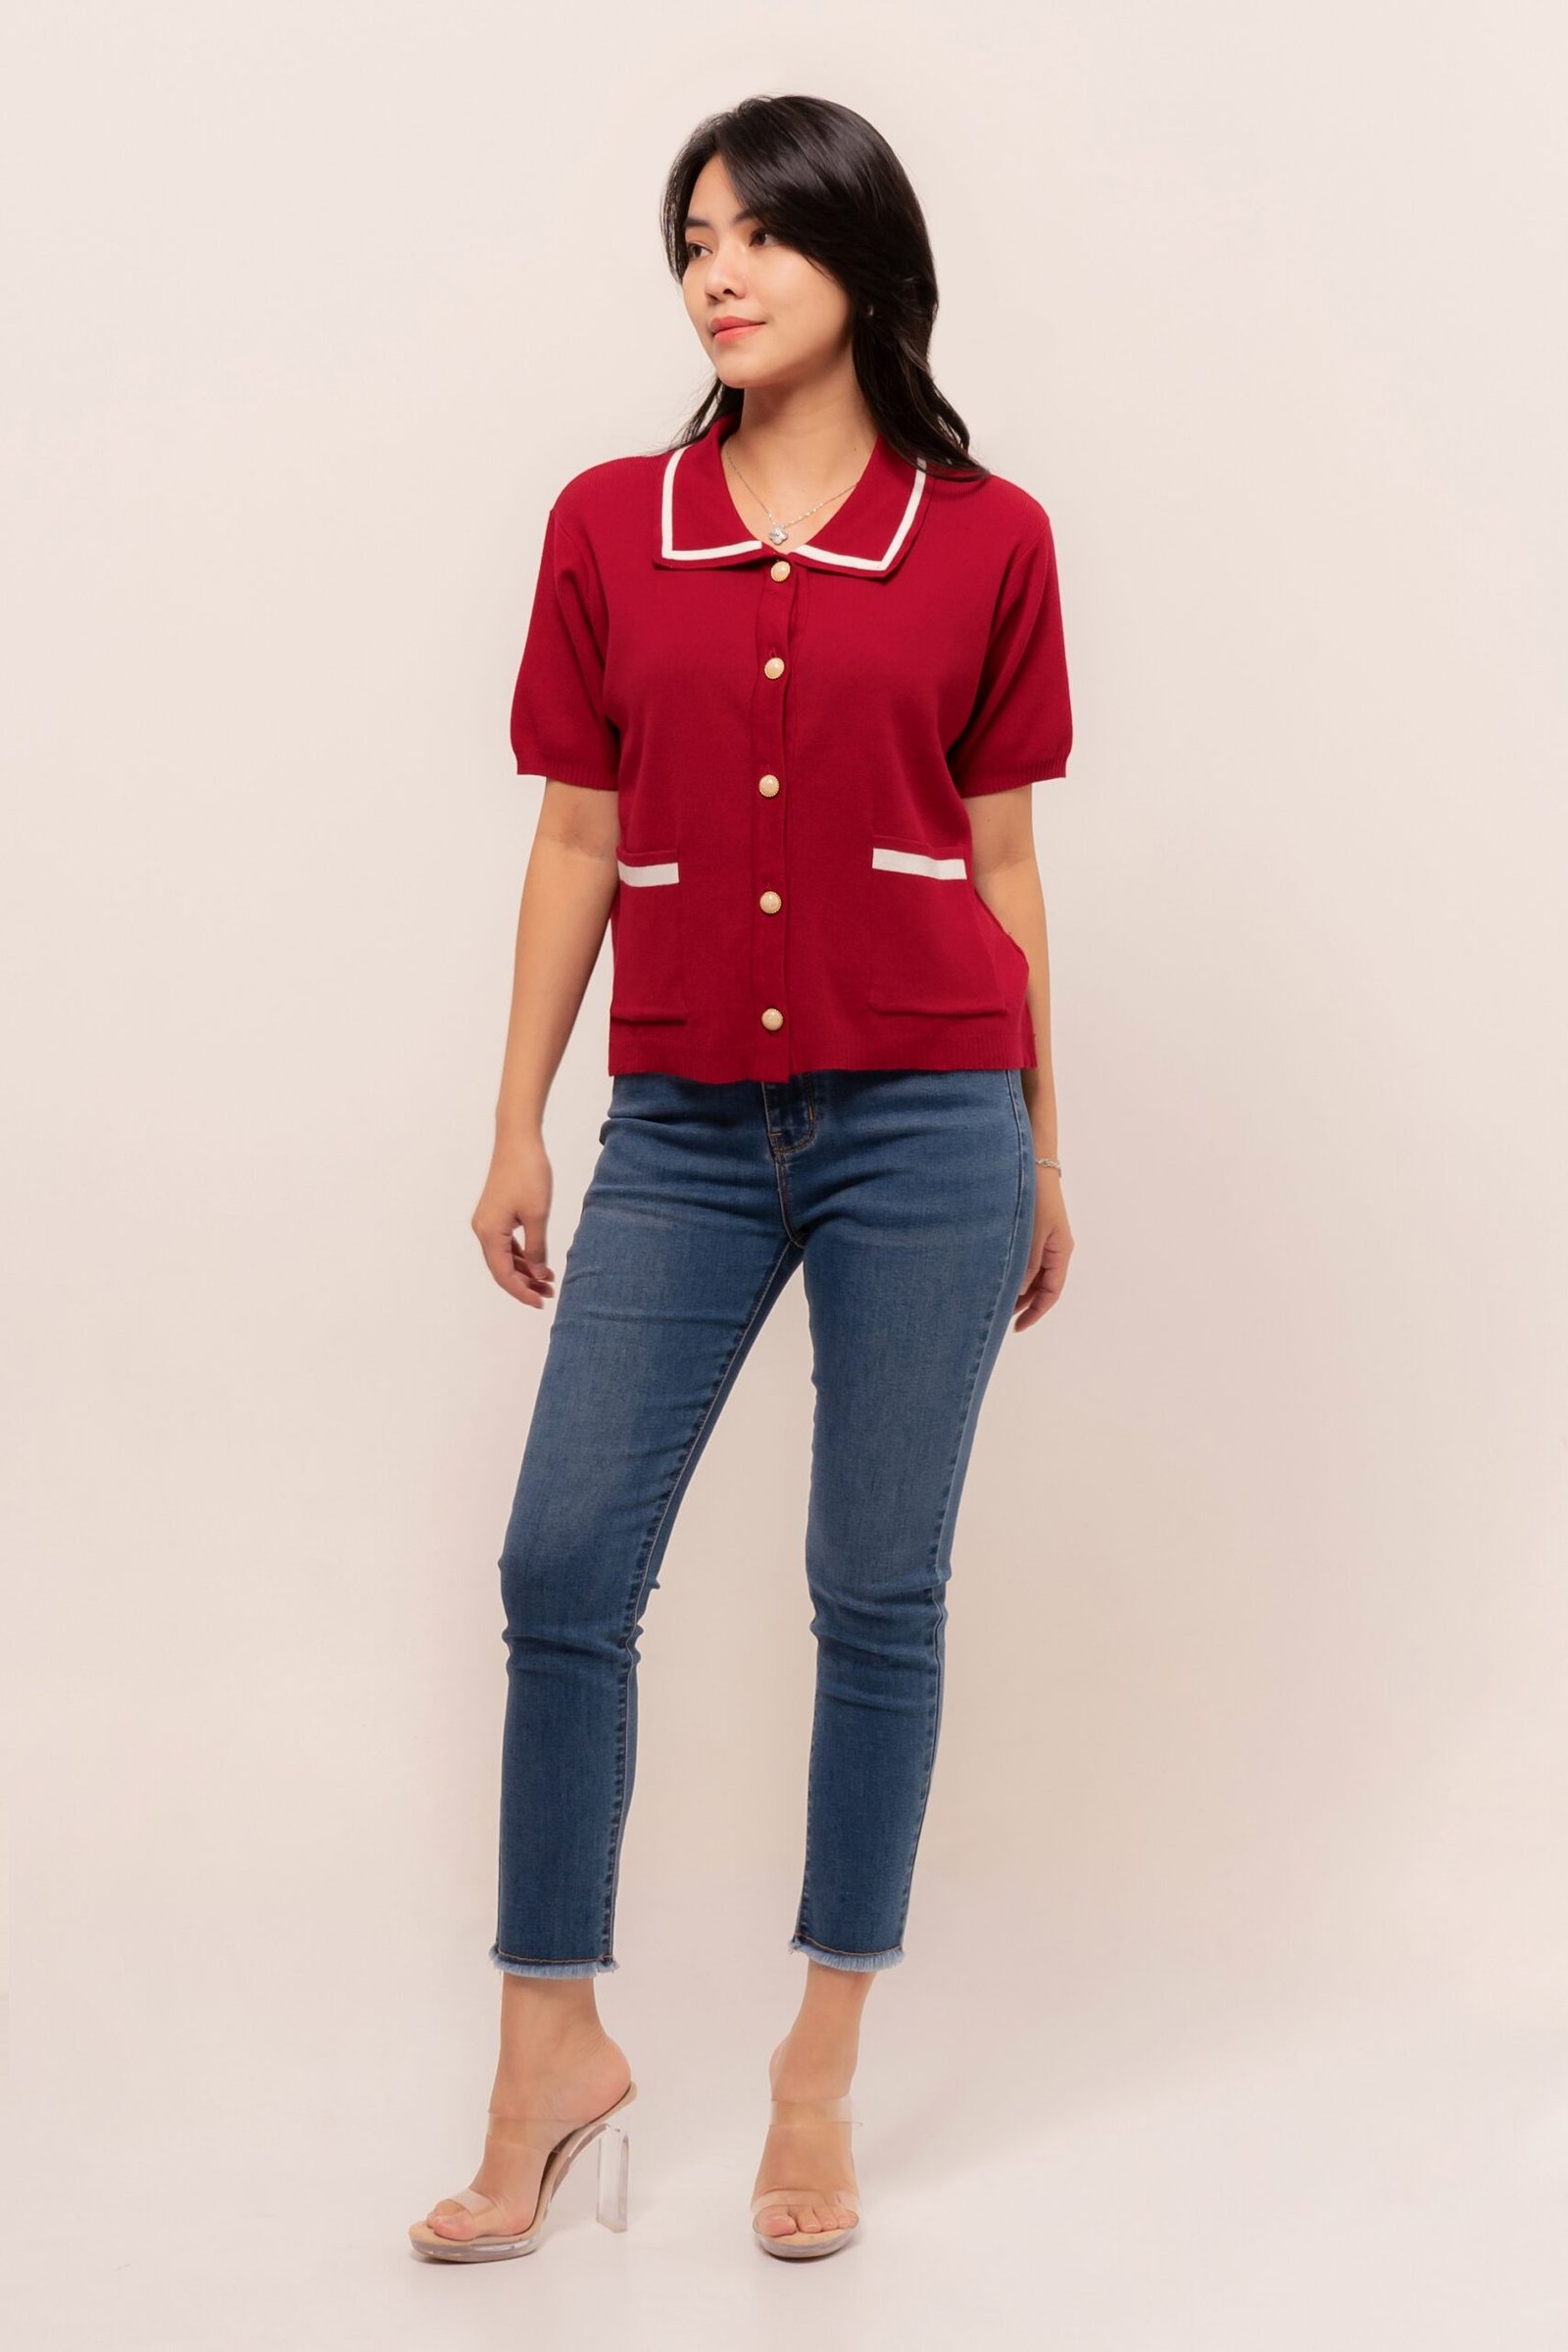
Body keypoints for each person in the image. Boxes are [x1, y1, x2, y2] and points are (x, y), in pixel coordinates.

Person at [410, 90, 1076, 2266]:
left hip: (931, 1122)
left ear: (861, 264)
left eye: (759, 234)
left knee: (875, 1589)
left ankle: (818, 2067)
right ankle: (548, 2056)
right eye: (692, 236)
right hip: (682, 1125)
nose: (716, 269)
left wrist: (1041, 1143)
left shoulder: (987, 539)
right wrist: (518, 1115)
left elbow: (1001, 862)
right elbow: (575, 836)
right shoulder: (612, 525)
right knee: (560, 1562)